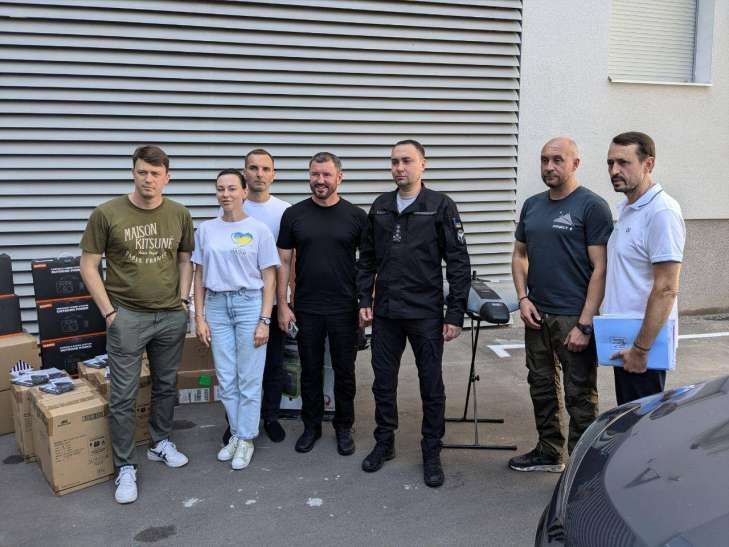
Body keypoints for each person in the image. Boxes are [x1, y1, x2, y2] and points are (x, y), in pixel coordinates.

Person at [80, 145, 194, 504]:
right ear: (133, 173)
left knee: (165, 384)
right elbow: (88, 265)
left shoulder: (179, 213)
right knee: (124, 395)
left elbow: (185, 259)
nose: (149, 179)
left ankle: (160, 442)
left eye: (156, 173)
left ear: (167, 177)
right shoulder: (107, 213)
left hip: (170, 315)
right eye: (143, 172)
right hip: (127, 316)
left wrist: (184, 301)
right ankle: (125, 465)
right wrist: (109, 313)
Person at [357, 139, 470, 488]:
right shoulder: (380, 206)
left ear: (423, 164)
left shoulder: (440, 205)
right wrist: (364, 299)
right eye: (394, 162)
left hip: (425, 312)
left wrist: (454, 314)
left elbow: (458, 263)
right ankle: (384, 442)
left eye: (406, 161)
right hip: (387, 311)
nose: (399, 168)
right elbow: (367, 259)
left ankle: (431, 451)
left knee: (430, 383)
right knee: (383, 382)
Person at [508, 137, 613, 473]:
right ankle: (549, 451)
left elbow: (601, 268)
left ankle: (581, 466)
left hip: (573, 316)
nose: (549, 167)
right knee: (540, 385)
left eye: (557, 160)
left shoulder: (592, 206)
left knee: (579, 394)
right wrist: (523, 298)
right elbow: (520, 255)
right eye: (544, 160)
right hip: (537, 313)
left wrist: (585, 323)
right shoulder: (532, 205)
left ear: (575, 164)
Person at [277, 152, 367, 456]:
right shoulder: (294, 215)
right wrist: (283, 304)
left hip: (345, 308)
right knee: (310, 371)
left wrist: (366, 303)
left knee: (345, 372)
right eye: (315, 174)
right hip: (307, 307)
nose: (320, 180)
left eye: (327, 174)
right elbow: (283, 261)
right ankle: (311, 426)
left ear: (339, 177)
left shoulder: (356, 216)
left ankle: (344, 427)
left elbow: (369, 264)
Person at [193, 169, 279, 470]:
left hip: (248, 305)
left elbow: (270, 278)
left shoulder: (259, 230)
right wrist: (199, 317)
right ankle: (238, 435)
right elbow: (199, 275)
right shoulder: (206, 230)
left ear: (244, 192)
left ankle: (246, 439)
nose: (225, 194)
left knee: (249, 378)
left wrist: (264, 319)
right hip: (216, 306)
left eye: (232, 188)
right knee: (226, 378)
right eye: (220, 189)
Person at [602, 132, 685, 405]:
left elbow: (667, 288)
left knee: (642, 424)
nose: (614, 170)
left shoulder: (661, 212)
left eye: (623, 163)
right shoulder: (629, 208)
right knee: (629, 420)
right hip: (624, 339)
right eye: (610, 163)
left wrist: (640, 349)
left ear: (648, 164)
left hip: (643, 347)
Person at [219, 149, 291, 445]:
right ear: (244, 173)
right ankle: (235, 421)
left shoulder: (285, 211)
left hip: (273, 301)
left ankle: (270, 416)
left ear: (273, 174)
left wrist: (285, 302)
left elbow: (289, 259)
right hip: (238, 304)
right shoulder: (231, 206)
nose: (259, 174)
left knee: (273, 363)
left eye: (265, 168)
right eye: (253, 168)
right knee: (238, 368)